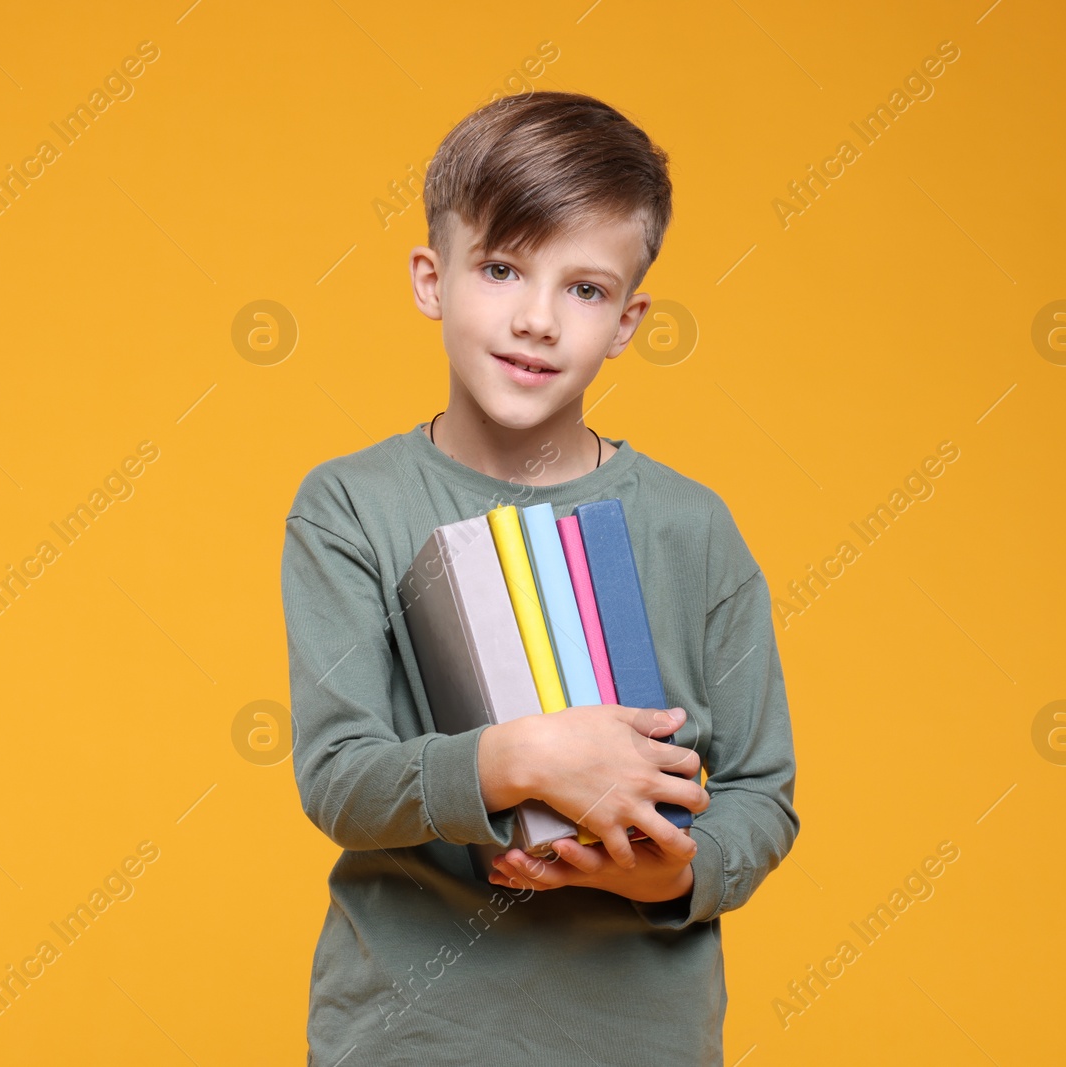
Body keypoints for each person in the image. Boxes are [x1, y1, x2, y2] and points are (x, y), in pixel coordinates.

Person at [281, 89, 799, 1066]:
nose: (536, 319)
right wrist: (520, 759)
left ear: (627, 320)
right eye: (502, 267)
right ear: (432, 279)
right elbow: (340, 777)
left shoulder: (695, 528)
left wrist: (669, 879)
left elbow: (760, 791)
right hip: (410, 1034)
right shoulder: (348, 505)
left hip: (637, 1036)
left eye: (585, 288)